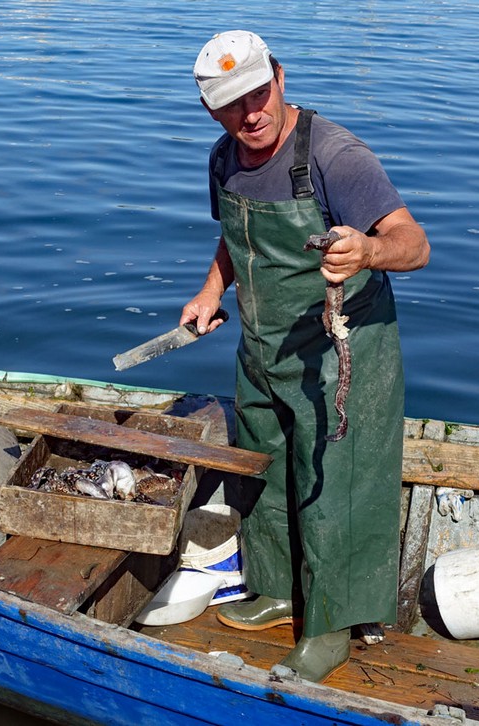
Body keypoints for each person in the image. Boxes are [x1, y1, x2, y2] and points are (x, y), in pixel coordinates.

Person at [182, 30, 430, 683]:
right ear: (210, 109)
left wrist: (369, 251)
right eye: (232, 104)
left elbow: (414, 243)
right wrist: (210, 292)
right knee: (263, 468)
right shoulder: (223, 159)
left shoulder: (334, 156)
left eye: (258, 93)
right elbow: (234, 237)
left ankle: (329, 627)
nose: (250, 114)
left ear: (280, 78)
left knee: (331, 486)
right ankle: (277, 590)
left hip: (341, 353)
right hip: (262, 349)